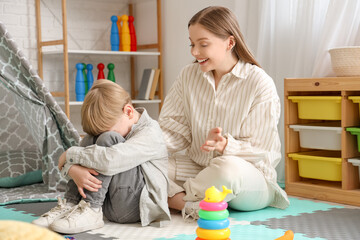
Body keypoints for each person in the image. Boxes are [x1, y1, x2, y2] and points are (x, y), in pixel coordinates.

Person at [158, 6, 289, 220]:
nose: (194, 52)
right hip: (199, 170)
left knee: (227, 169)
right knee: (148, 165)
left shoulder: (259, 82)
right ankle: (194, 204)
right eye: (192, 44)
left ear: (229, 42)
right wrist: (143, 143)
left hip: (248, 177)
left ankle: (175, 199)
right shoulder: (188, 76)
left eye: (203, 44)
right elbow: (173, 130)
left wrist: (226, 146)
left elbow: (261, 149)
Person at [32, 79, 170, 233]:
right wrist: (73, 169)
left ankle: (92, 210)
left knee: (108, 139)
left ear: (129, 111)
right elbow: (91, 155)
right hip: (111, 202)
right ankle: (71, 204)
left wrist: (71, 154)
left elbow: (110, 160)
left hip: (138, 207)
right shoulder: (123, 123)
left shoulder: (151, 132)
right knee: (91, 139)